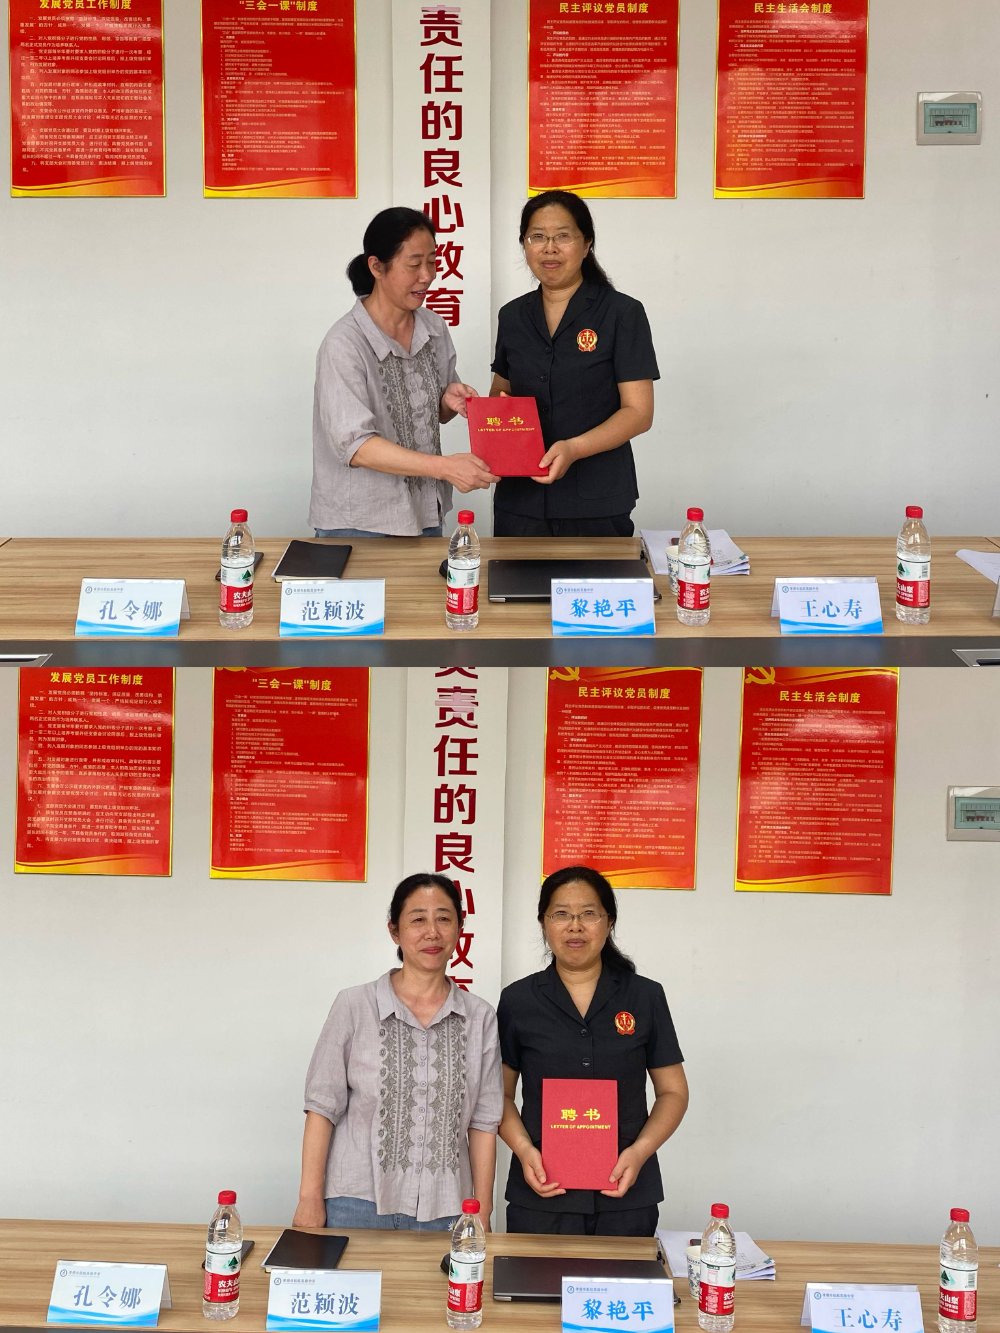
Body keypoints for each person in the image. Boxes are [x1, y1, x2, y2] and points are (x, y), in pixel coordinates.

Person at [292, 873, 503, 1231]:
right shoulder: (354, 1005)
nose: (432, 932)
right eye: (418, 919)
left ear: (459, 929)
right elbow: (321, 1108)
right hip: (355, 1202)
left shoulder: (479, 1017)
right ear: (395, 931)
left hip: (446, 1209)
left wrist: (481, 1212)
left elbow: (483, 1123)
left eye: (444, 918)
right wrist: (309, 1199)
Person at [497, 865, 688, 1236]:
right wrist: (523, 1149)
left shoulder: (645, 996)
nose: (575, 926)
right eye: (561, 914)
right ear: (544, 924)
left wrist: (640, 1151)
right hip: (542, 1194)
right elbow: (498, 1095)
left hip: (626, 1194)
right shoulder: (518, 1000)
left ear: (609, 922)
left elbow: (673, 1092)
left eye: (588, 914)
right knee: (533, 1277)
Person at [310, 208, 498, 538]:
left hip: (424, 511)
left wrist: (447, 400)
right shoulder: (344, 343)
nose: (426, 276)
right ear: (376, 266)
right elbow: (355, 446)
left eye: (432, 262)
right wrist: (446, 468)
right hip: (360, 522)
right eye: (414, 264)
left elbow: (435, 414)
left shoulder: (433, 327)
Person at [489, 190, 659, 538]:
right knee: (515, 577)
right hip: (520, 499)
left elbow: (638, 413)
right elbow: (501, 392)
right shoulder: (512, 316)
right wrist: (489, 413)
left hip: (596, 500)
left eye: (563, 236)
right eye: (537, 237)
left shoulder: (622, 313)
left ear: (586, 244)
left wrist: (574, 448)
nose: (549, 248)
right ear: (524, 245)